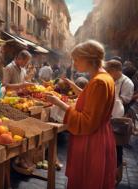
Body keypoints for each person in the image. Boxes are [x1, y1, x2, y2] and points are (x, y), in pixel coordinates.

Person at [45, 40, 116, 189]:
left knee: (87, 181)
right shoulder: (104, 77)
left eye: (77, 59)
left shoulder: (99, 82)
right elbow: (92, 99)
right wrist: (73, 85)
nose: (74, 63)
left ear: (88, 59)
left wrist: (58, 103)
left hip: (91, 140)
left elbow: (87, 121)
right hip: (100, 135)